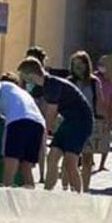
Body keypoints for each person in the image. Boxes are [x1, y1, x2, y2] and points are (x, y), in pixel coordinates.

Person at [19, 57, 95, 192]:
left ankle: (78, 195)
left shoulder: (52, 85)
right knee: (52, 156)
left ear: (31, 75)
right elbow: (25, 97)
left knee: (70, 161)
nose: (25, 80)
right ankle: (48, 192)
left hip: (81, 122)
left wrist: (44, 132)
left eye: (24, 77)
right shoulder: (41, 86)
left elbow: (51, 113)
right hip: (68, 121)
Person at [0, 73, 46, 188]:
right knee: (26, 166)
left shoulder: (0, 86)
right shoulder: (21, 92)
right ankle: (30, 200)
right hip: (38, 123)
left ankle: (6, 193)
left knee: (10, 164)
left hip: (18, 121)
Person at [70, 51, 108, 189]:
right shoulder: (70, 82)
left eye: (81, 65)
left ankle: (84, 189)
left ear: (87, 65)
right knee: (71, 158)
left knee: (87, 159)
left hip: (89, 121)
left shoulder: (94, 82)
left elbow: (99, 102)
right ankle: (72, 186)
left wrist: (105, 121)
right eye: (75, 65)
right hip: (72, 121)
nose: (78, 68)